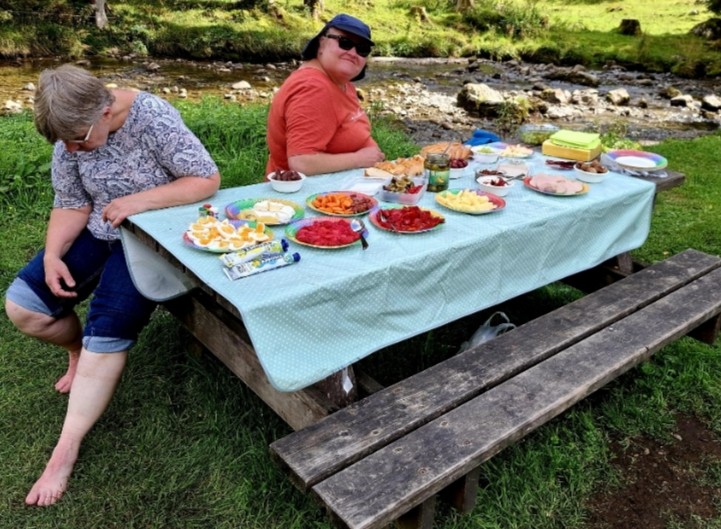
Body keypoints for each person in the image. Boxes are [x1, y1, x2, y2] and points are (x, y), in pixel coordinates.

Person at [4, 64, 221, 507]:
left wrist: (139, 201)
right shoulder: (71, 131)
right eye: (63, 142)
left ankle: (64, 451)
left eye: (77, 140)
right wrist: (51, 256)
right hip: (100, 230)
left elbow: (205, 178)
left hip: (151, 237)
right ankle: (76, 353)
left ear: (105, 110)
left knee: (106, 331)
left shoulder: (153, 117)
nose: (71, 149)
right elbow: (71, 203)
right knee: (24, 307)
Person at [265, 13, 385, 176]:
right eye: (345, 42)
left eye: (362, 49)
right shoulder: (313, 88)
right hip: (308, 190)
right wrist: (359, 159)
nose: (353, 53)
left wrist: (371, 152)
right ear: (321, 43)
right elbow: (301, 163)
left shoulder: (341, 82)